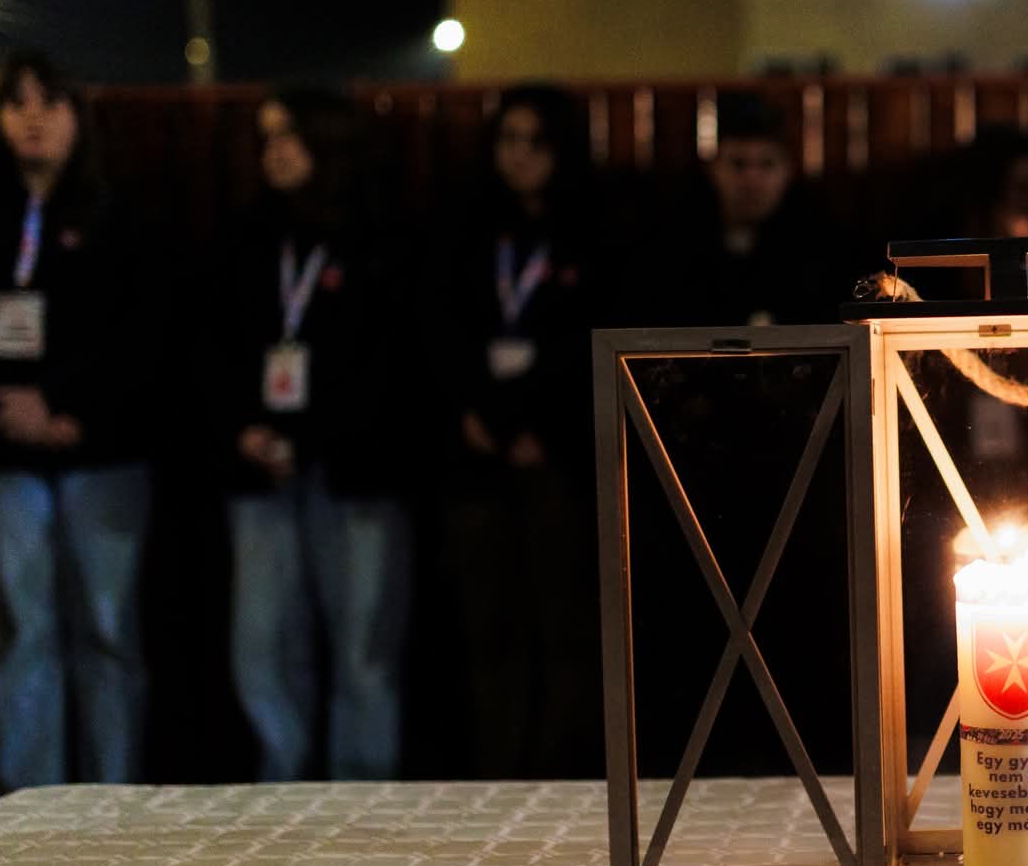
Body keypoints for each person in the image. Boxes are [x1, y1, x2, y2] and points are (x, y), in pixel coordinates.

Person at [0, 49, 154, 789]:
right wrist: (2, 411)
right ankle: (31, 815)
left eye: (51, 101)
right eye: (18, 103)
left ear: (78, 116)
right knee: (22, 639)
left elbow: (142, 338)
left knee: (107, 633)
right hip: (2, 459)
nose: (33, 117)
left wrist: (69, 411)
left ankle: (112, 809)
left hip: (102, 454)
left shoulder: (120, 218)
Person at [210, 87, 413, 781]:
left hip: (355, 471)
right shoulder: (243, 235)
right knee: (262, 648)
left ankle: (363, 809)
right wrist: (243, 430)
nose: (276, 151)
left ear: (329, 141)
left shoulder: (379, 235)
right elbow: (212, 349)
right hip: (259, 467)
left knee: (363, 652)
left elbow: (388, 365)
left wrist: (313, 437)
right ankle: (284, 797)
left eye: (291, 135)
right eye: (266, 137)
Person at [427, 85, 608, 778]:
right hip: (477, 453)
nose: (520, 155)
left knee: (564, 625)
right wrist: (478, 416)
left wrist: (537, 427)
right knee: (487, 623)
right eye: (508, 140)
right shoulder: (466, 227)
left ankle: (561, 773)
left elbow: (590, 338)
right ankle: (498, 770)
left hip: (558, 454)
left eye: (535, 142)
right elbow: (439, 329)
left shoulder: (592, 230)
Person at [648, 93, 854, 327]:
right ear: (713, 169)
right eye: (738, 164)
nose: (752, 180)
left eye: (767, 164)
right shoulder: (674, 244)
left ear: (788, 171)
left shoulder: (820, 247)